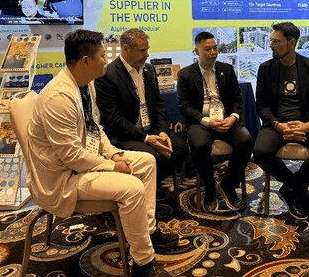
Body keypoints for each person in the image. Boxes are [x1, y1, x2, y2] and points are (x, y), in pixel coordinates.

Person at [27, 29, 176, 277]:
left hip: (83, 162)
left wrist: (114, 154)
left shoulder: (86, 85)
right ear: (86, 61)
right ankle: (144, 263)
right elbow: (71, 157)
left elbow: (95, 128)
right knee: (132, 188)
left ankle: (147, 232)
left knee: (147, 161)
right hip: (65, 178)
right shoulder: (58, 98)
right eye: (102, 56)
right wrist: (113, 166)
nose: (107, 60)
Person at [253, 22, 309, 219]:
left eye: (276, 42)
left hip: (306, 123)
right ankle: (295, 185)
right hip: (277, 123)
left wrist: (308, 125)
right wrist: (278, 125)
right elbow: (262, 105)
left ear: (291, 43)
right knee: (260, 153)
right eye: (271, 41)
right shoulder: (266, 69)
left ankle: (291, 188)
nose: (271, 45)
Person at [95, 28, 187, 190]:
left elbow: (158, 104)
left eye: (147, 49)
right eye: (142, 50)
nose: (147, 54)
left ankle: (153, 186)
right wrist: (146, 139)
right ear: (125, 49)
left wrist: (162, 131)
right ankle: (143, 190)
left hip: (151, 129)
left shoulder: (149, 69)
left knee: (180, 150)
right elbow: (114, 119)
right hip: (124, 135)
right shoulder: (108, 75)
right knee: (152, 157)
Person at [177, 31, 254, 212]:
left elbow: (237, 98)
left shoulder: (226, 69)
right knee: (199, 145)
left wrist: (233, 117)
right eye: (207, 49)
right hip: (200, 122)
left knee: (246, 140)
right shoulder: (185, 74)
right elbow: (185, 107)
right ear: (196, 51)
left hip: (226, 120)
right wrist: (208, 121)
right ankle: (210, 187)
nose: (213, 53)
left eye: (215, 48)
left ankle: (228, 184)